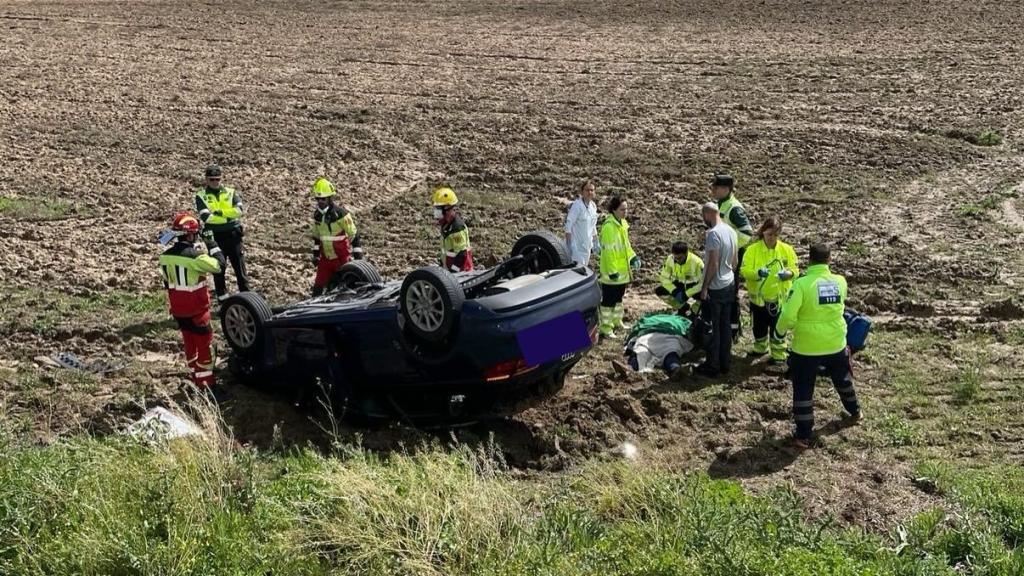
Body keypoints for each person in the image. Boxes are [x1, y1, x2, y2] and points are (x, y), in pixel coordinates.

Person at [776, 243, 862, 449]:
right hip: (836, 343)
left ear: (809, 260)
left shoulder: (802, 284)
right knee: (842, 378)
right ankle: (855, 411)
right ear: (829, 260)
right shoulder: (840, 281)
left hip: (807, 347)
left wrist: (779, 332)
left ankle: (804, 434)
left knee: (804, 387)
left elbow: (788, 315)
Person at [158, 212, 225, 390]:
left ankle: (194, 376)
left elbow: (167, 283)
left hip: (179, 309)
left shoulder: (165, 257)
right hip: (197, 310)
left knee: (189, 343)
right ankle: (207, 386)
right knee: (205, 347)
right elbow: (220, 265)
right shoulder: (195, 257)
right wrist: (212, 243)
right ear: (190, 234)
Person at [739, 216, 799, 365]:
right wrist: (757, 273)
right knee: (758, 326)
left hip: (779, 300)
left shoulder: (787, 250)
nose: (772, 238)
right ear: (763, 232)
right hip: (759, 300)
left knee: (778, 328)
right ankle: (760, 348)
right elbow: (744, 270)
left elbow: (795, 269)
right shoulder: (752, 250)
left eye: (775, 235)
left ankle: (779, 355)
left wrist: (789, 274)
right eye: (769, 234)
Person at [194, 164, 249, 300]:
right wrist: (229, 217)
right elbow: (206, 217)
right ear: (206, 179)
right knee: (219, 269)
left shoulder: (231, 192)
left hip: (234, 235)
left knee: (240, 269)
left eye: (217, 179)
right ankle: (222, 300)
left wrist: (220, 213)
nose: (215, 182)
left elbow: (240, 211)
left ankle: (248, 298)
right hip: (215, 237)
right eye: (212, 179)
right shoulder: (201, 196)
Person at [695, 201, 737, 377]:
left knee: (713, 327)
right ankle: (725, 363)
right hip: (729, 283)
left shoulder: (713, 234)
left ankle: (713, 365)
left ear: (708, 215)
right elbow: (734, 261)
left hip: (716, 286)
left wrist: (705, 287)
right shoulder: (731, 231)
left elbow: (713, 263)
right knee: (726, 325)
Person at [710, 173, 753, 340]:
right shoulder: (720, 204)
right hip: (721, 255)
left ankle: (733, 330)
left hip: (731, 256)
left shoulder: (734, 208)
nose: (712, 190)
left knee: (730, 293)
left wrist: (730, 247)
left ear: (726, 189)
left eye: (715, 187)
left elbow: (746, 233)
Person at [597, 196, 640, 339]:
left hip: (622, 273)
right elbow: (608, 252)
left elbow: (626, 246)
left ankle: (616, 321)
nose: (625, 212)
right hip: (612, 274)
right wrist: (612, 271)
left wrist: (633, 257)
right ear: (614, 210)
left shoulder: (623, 224)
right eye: (622, 209)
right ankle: (606, 328)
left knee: (618, 299)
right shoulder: (609, 227)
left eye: (626, 209)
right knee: (608, 301)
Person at [309, 177, 359, 296]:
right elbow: (316, 238)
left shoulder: (341, 214)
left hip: (342, 259)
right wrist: (316, 256)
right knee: (317, 290)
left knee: (345, 290)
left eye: (323, 199)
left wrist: (359, 260)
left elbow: (354, 236)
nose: (320, 202)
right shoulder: (317, 216)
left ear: (330, 198)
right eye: (318, 199)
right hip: (325, 261)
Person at [654, 240, 704, 317]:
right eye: (675, 258)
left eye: (680, 258)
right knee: (660, 291)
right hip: (680, 285)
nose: (677, 261)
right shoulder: (670, 259)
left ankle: (694, 310)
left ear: (686, 253)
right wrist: (674, 290)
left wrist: (687, 294)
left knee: (706, 298)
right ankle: (683, 307)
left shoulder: (697, 262)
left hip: (694, 287)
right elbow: (664, 278)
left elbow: (702, 283)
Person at [433, 186, 473, 272]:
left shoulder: (457, 228)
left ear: (448, 209)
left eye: (439, 209)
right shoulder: (446, 225)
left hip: (461, 273)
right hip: (449, 270)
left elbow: (462, 254)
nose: (437, 213)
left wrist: (453, 272)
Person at [564, 180, 600, 266]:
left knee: (584, 267)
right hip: (576, 246)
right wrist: (569, 244)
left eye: (592, 190)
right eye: (587, 190)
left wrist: (595, 241)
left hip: (586, 246)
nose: (589, 192)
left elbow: (593, 225)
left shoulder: (593, 206)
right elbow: (569, 224)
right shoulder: (577, 206)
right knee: (576, 271)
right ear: (582, 192)